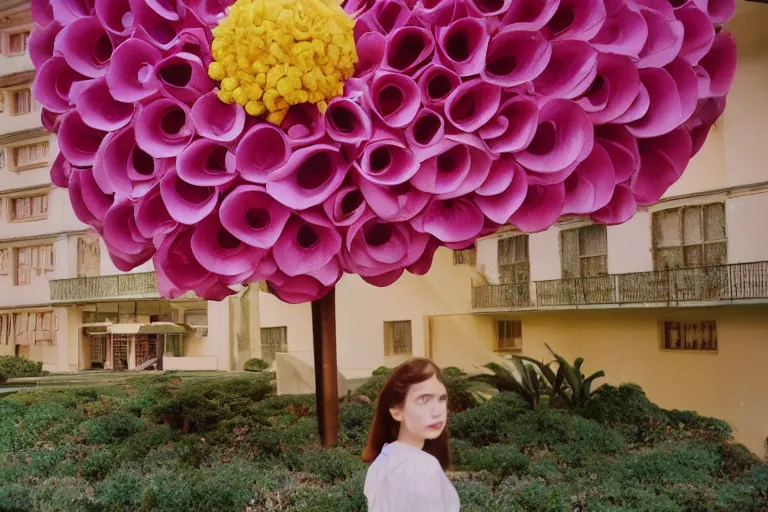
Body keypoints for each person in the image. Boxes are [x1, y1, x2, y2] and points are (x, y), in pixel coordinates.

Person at [362, 357, 460, 512]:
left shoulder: (381, 462)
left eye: (442, 399)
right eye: (424, 399)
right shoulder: (426, 467)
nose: (437, 411)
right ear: (397, 410)